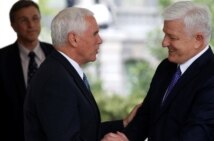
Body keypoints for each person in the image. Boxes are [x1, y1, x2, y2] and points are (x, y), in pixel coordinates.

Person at [101, 1, 214, 141]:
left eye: (172, 37)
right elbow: (146, 116)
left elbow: (195, 136)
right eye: (165, 35)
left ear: (198, 39)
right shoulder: (167, 67)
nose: (164, 43)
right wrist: (124, 137)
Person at [23, 7, 139, 141]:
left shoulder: (62, 71)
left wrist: (123, 123)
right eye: (95, 34)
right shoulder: (56, 80)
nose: (100, 40)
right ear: (74, 39)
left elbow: (84, 130)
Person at [0, 1, 54, 141]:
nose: (31, 25)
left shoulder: (56, 55)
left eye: (35, 18)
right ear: (13, 25)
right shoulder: (2, 59)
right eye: (24, 20)